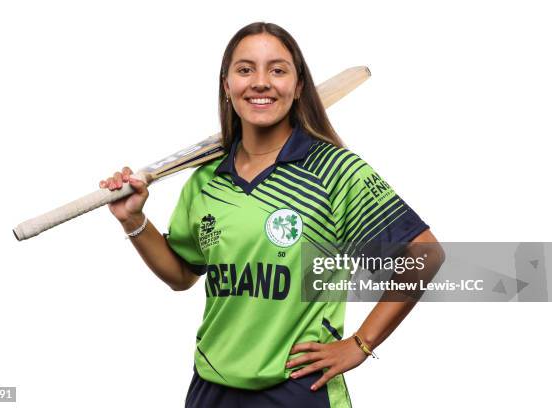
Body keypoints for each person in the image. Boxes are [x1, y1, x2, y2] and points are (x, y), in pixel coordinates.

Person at [99, 22, 444, 408]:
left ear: (298, 87)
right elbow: (182, 275)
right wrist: (133, 220)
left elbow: (425, 254)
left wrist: (360, 345)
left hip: (297, 389)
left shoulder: (335, 171)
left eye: (277, 70)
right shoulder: (206, 182)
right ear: (226, 85)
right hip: (211, 385)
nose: (260, 82)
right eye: (245, 70)